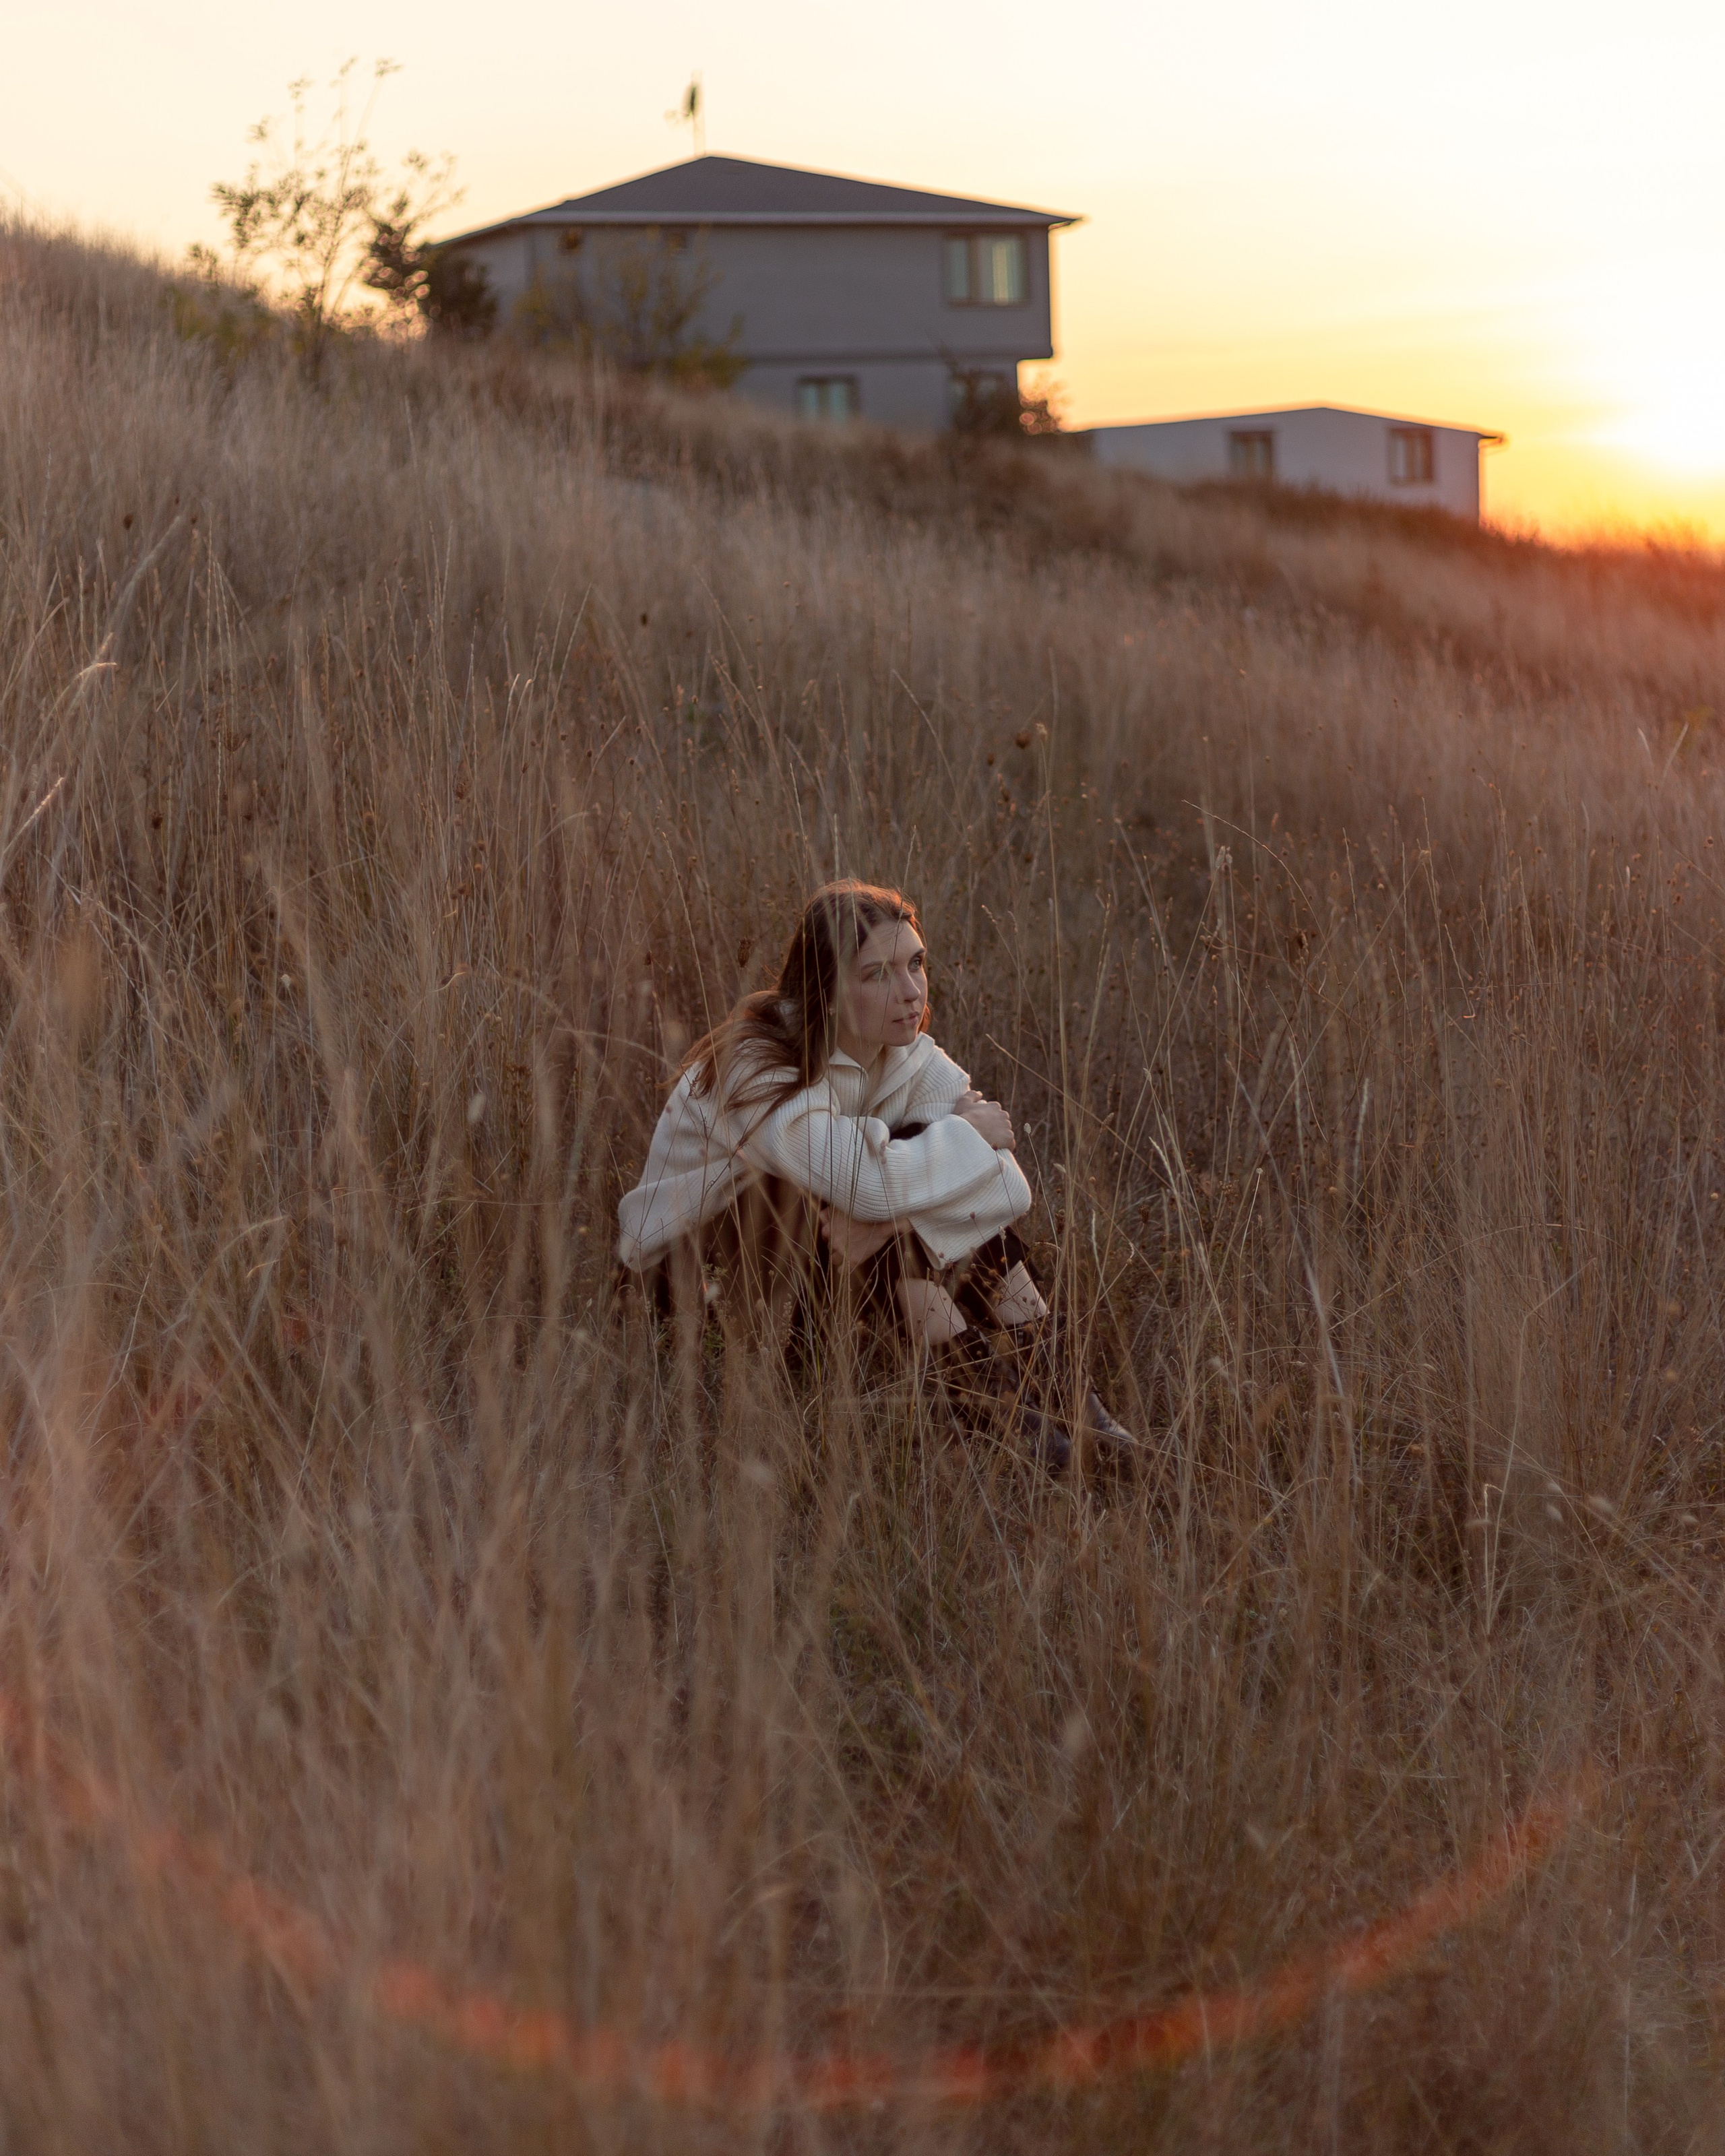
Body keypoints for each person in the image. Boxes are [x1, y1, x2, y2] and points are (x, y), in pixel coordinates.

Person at [616, 880, 1137, 1475]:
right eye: (877, 974)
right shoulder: (759, 1063)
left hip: (809, 1273)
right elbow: (864, 1185)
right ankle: (1019, 1428)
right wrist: (953, 1147)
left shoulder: (911, 1057)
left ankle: (1081, 1413)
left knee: (913, 1172)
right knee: (832, 1185)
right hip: (688, 1290)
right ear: (827, 990)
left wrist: (887, 1221)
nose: (911, 991)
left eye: (915, 963)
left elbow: (1008, 1192)